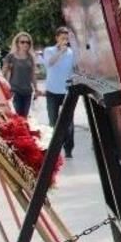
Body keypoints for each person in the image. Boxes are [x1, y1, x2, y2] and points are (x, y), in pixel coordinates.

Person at [43, 26, 76, 158]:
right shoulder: (49, 50)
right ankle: (55, 149)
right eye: (62, 38)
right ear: (57, 38)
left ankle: (68, 149)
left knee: (68, 122)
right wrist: (60, 52)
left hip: (67, 91)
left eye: (67, 38)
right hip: (52, 91)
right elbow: (49, 63)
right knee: (53, 121)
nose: (65, 40)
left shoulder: (72, 53)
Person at [2, 31, 41, 117]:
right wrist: (5, 89)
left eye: (28, 42)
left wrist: (36, 89)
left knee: (24, 117)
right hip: (15, 91)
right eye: (22, 42)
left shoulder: (31, 57)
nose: (25, 44)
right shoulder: (10, 57)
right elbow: (3, 74)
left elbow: (33, 75)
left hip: (27, 92)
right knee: (17, 117)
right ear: (17, 43)